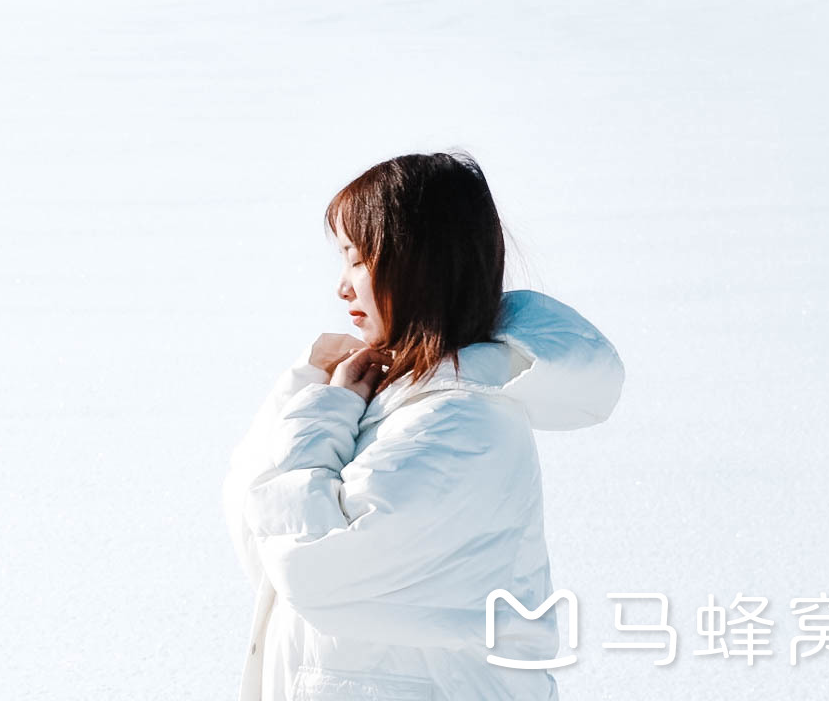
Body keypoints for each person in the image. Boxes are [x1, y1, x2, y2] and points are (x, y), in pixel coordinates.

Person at [223, 152, 624, 700]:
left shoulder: (461, 427)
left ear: (417, 263)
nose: (342, 288)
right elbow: (259, 533)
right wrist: (322, 394)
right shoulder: (396, 402)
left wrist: (324, 413)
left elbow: (309, 564)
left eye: (357, 260)